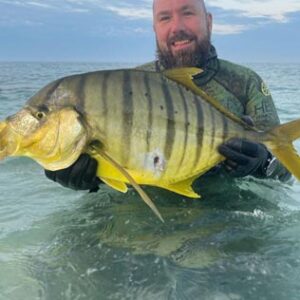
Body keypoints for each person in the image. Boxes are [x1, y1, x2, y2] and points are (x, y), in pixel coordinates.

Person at [45, 0, 291, 191]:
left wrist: (263, 163)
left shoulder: (245, 83)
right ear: (155, 28)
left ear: (209, 21)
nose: (177, 28)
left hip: (225, 226)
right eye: (165, 18)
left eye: (187, 13)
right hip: (136, 225)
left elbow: (284, 174)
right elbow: (115, 160)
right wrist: (86, 179)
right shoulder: (128, 87)